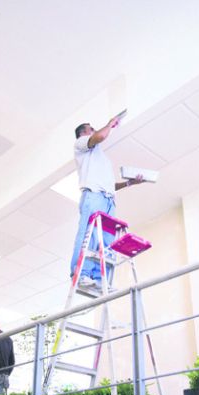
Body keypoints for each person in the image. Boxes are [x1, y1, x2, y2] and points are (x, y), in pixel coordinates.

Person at [71, 115, 144, 293]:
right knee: (90, 236)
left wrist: (129, 183)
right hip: (94, 196)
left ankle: (98, 278)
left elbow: (111, 186)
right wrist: (111, 123)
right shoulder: (81, 144)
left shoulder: (100, 157)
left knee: (106, 242)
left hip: (108, 199)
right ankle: (81, 274)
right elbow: (100, 136)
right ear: (83, 133)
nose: (94, 129)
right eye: (91, 127)